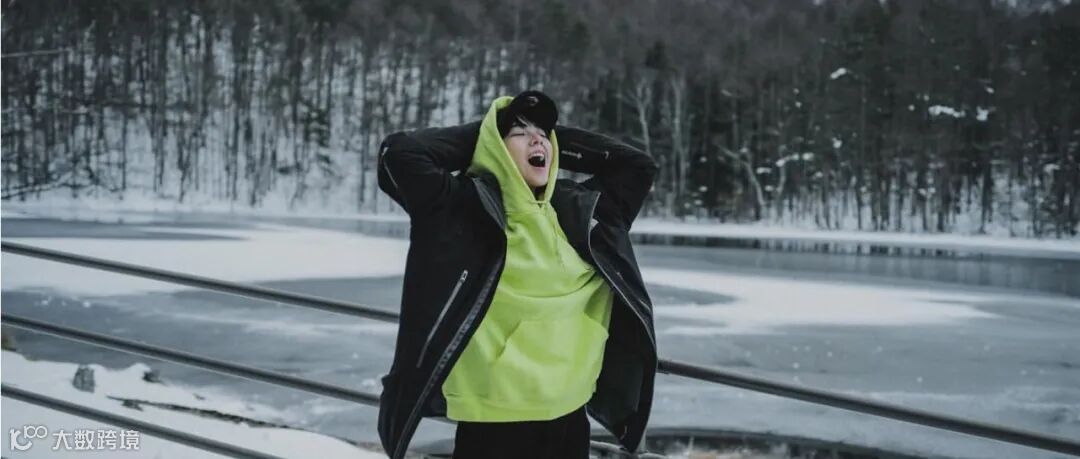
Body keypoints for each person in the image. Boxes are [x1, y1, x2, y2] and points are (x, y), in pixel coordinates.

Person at [376, 90, 658, 459]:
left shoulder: (580, 212)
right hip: (495, 422)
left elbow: (637, 166)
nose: (537, 140)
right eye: (521, 133)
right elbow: (398, 153)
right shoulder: (461, 208)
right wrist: (489, 134)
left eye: (543, 134)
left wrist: (549, 137)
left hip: (570, 415)